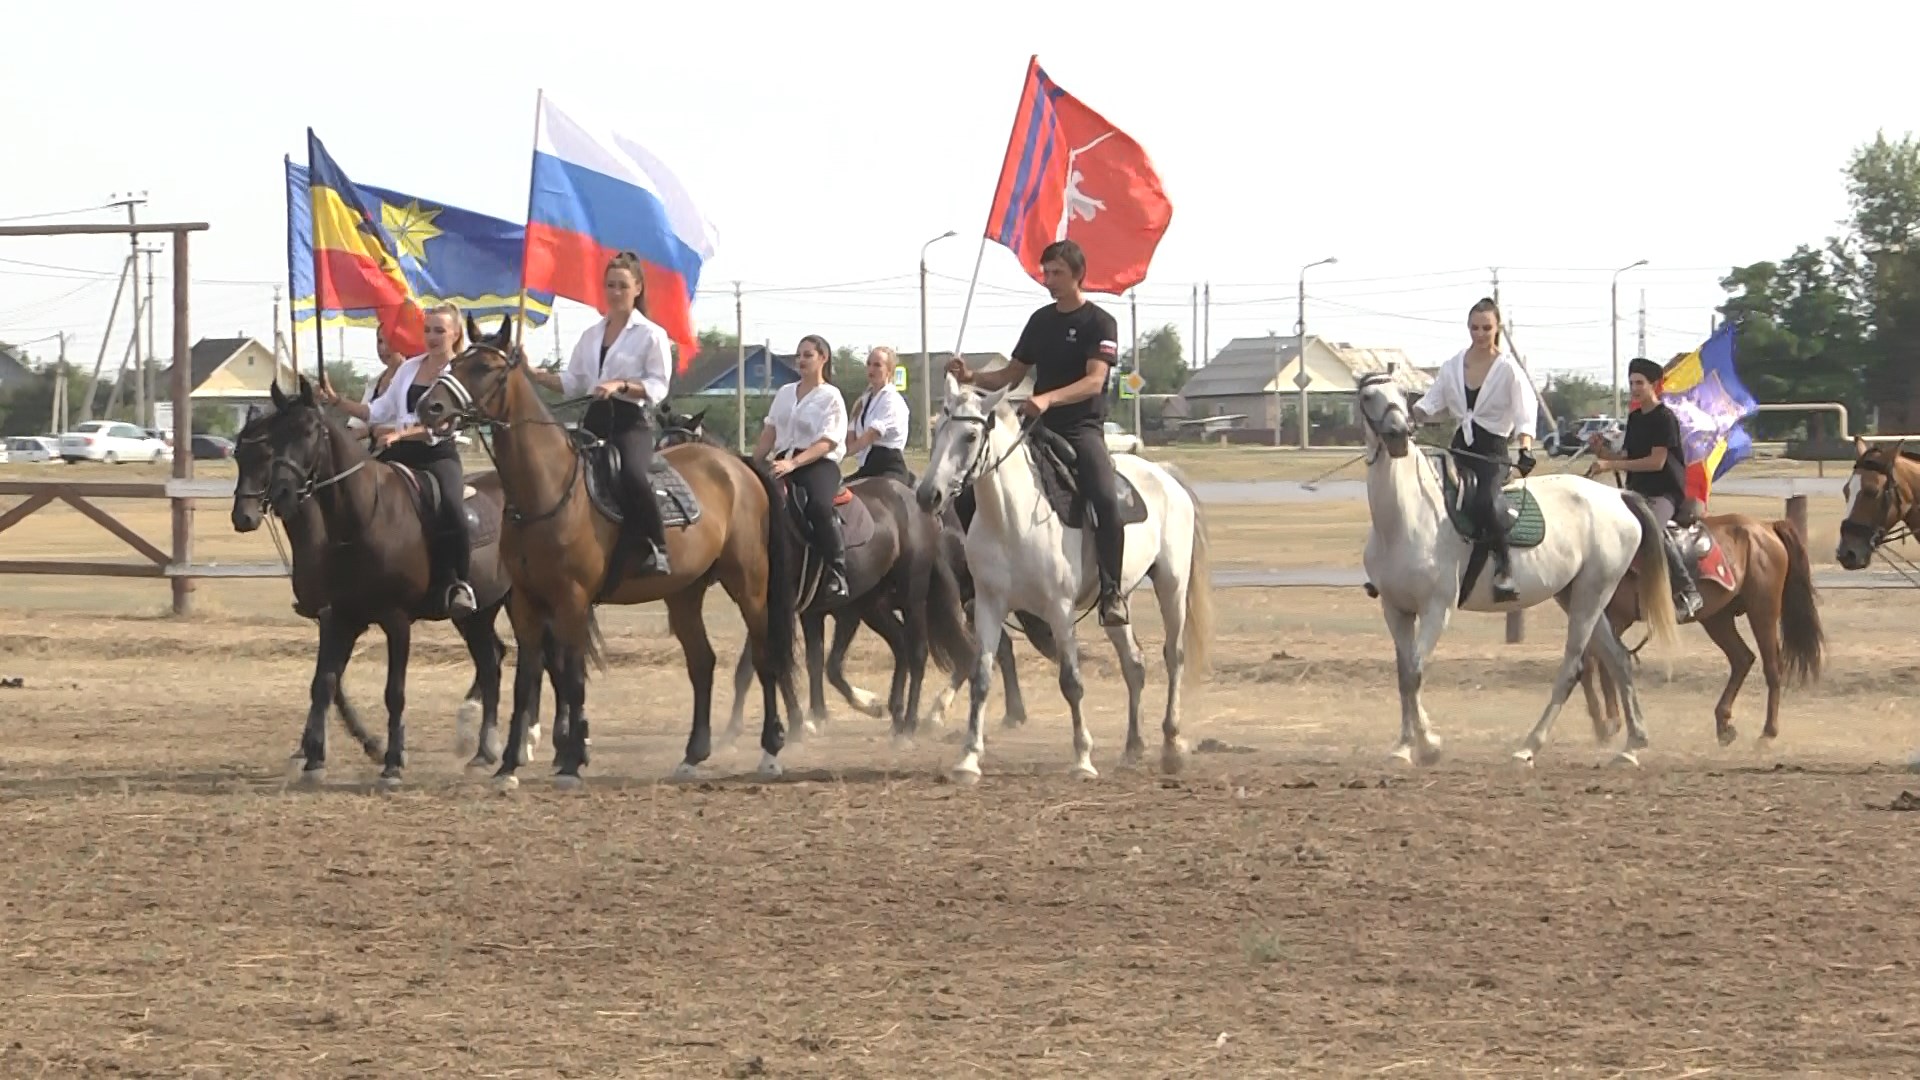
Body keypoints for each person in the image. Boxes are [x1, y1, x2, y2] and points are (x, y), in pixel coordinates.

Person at [945, 239, 1130, 626]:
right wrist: (972, 376)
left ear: (1078, 275)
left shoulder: (1100, 323)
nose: (1049, 280)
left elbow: (1095, 381)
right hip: (1036, 427)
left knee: (1106, 498)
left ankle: (1111, 593)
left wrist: (1048, 398)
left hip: (1082, 429)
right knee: (968, 492)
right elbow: (1012, 375)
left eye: (1057, 273)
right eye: (1046, 273)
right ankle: (973, 586)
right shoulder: (1040, 321)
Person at [529, 251, 673, 582]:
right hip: (594, 419)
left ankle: (657, 546)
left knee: (634, 475)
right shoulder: (591, 334)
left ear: (638, 288)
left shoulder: (651, 334)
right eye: (610, 285)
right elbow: (572, 382)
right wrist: (534, 373)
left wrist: (622, 384)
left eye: (622, 285)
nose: (615, 292)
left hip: (630, 421)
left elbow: (658, 385)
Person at [1410, 297, 1539, 603]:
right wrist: (1409, 415)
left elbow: (1525, 410)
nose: (1479, 334)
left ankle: (1504, 569)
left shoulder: (1508, 369)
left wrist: (1525, 448)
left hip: (1492, 452)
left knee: (1484, 502)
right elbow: (1432, 403)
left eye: (1486, 328)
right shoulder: (1453, 365)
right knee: (1420, 494)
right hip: (1460, 448)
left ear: (1498, 328)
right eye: (1474, 327)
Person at [367, 302, 477, 618]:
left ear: (455, 334)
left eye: (439, 331)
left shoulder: (458, 373)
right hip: (397, 450)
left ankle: (459, 583)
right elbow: (377, 411)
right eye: (427, 330)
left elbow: (439, 428)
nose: (431, 336)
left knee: (452, 509)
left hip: (436, 455)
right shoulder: (409, 367)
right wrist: (335, 401)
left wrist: (396, 433)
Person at [1592, 356, 1706, 621]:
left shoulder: (1664, 418)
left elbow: (1656, 462)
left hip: (1664, 492)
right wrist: (1603, 452)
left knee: (1651, 529)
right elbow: (1629, 455)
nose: (1634, 388)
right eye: (1631, 382)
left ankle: (1689, 590)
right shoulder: (1635, 418)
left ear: (1654, 384)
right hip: (1637, 490)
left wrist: (1609, 464)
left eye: (1639, 383)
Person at [756, 334, 850, 603]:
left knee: (819, 506)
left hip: (817, 463)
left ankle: (837, 570)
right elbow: (769, 432)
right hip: (781, 461)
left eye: (808, 355)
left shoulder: (831, 397)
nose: (801, 360)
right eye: (798, 355)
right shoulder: (785, 393)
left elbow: (827, 441)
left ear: (823, 358)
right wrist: (753, 461)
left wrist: (794, 463)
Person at [845, 346, 913, 485]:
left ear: (889, 370)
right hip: (868, 466)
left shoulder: (892, 399)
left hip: (889, 467)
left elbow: (870, 436)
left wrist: (841, 454)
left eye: (877, 365)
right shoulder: (864, 401)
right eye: (869, 364)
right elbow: (851, 438)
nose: (871, 369)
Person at [317, 335, 406, 436]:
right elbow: (367, 415)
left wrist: (371, 432)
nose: (384, 348)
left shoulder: (411, 379)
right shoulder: (374, 382)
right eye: (380, 341)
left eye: (390, 342)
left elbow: (413, 426)